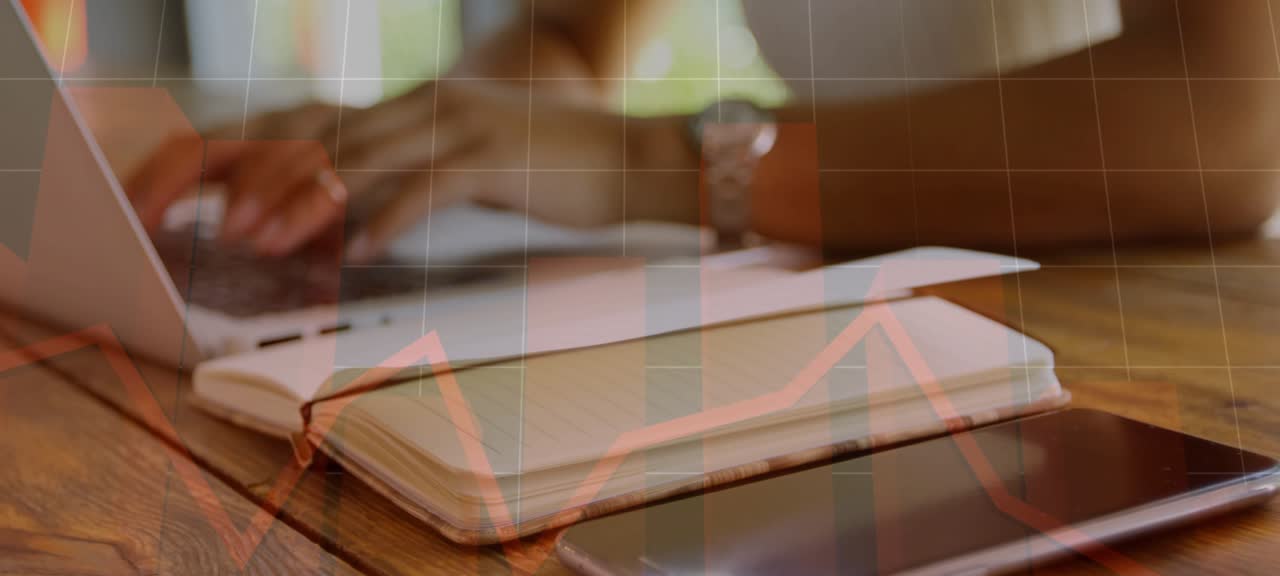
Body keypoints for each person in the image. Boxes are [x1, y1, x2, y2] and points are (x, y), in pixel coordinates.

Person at [126, 0, 1280, 261]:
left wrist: (651, 160)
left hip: (1158, 354)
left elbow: (1226, 121)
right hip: (863, 308)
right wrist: (428, 136)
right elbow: (569, 34)